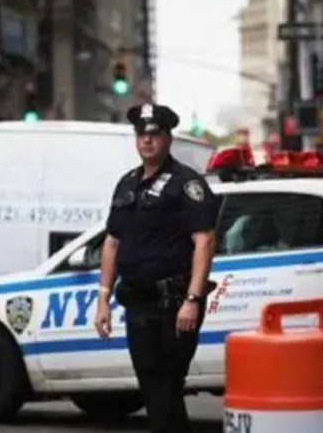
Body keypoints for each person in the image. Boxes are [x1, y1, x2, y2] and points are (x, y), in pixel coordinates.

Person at [93, 104, 219, 433]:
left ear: (167, 139)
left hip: (174, 301)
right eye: (142, 135)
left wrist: (192, 298)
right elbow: (112, 241)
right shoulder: (127, 184)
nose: (147, 141)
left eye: (154, 135)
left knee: (164, 383)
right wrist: (103, 298)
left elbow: (204, 241)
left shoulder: (185, 183)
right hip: (138, 301)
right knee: (153, 386)